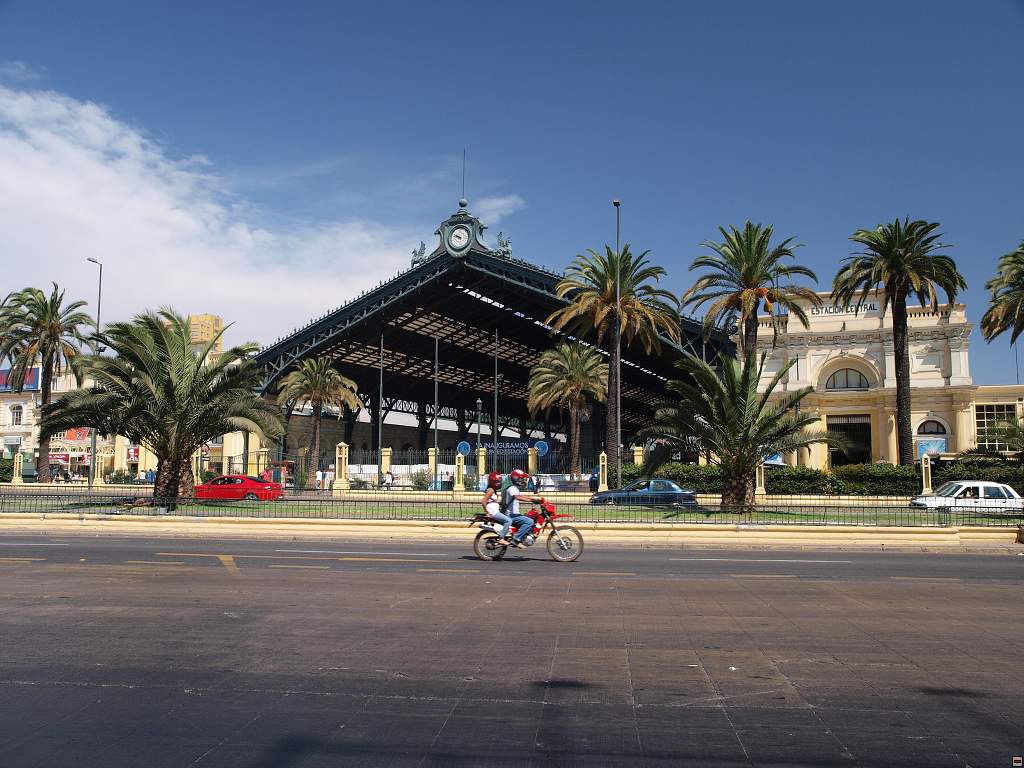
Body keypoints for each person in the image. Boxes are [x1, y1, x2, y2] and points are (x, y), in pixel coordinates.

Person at [503, 468, 542, 546]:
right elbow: (518, 497)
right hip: (511, 516)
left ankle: (523, 536)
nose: (524, 481)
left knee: (531, 518)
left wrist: (533, 500)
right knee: (529, 522)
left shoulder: (515, 489)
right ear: (516, 479)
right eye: (522, 479)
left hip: (514, 515)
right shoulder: (512, 488)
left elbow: (521, 496)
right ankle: (516, 539)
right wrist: (532, 500)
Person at [481, 471, 513, 546]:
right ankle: (501, 538)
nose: (499, 483)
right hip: (493, 512)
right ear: (492, 482)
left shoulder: (493, 490)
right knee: (508, 521)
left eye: (499, 481)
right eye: (497, 482)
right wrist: (487, 512)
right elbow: (483, 501)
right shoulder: (491, 490)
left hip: (496, 512)